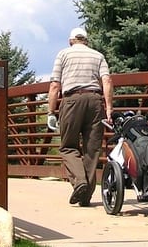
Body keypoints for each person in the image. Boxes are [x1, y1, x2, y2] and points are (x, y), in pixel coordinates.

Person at [47, 27, 114, 206]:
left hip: (71, 101)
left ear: (71, 41)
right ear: (86, 40)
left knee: (68, 146)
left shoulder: (63, 54)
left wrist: (50, 112)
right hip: (95, 101)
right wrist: (108, 108)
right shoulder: (98, 56)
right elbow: (106, 81)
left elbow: (55, 85)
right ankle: (85, 197)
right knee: (92, 150)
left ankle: (80, 183)